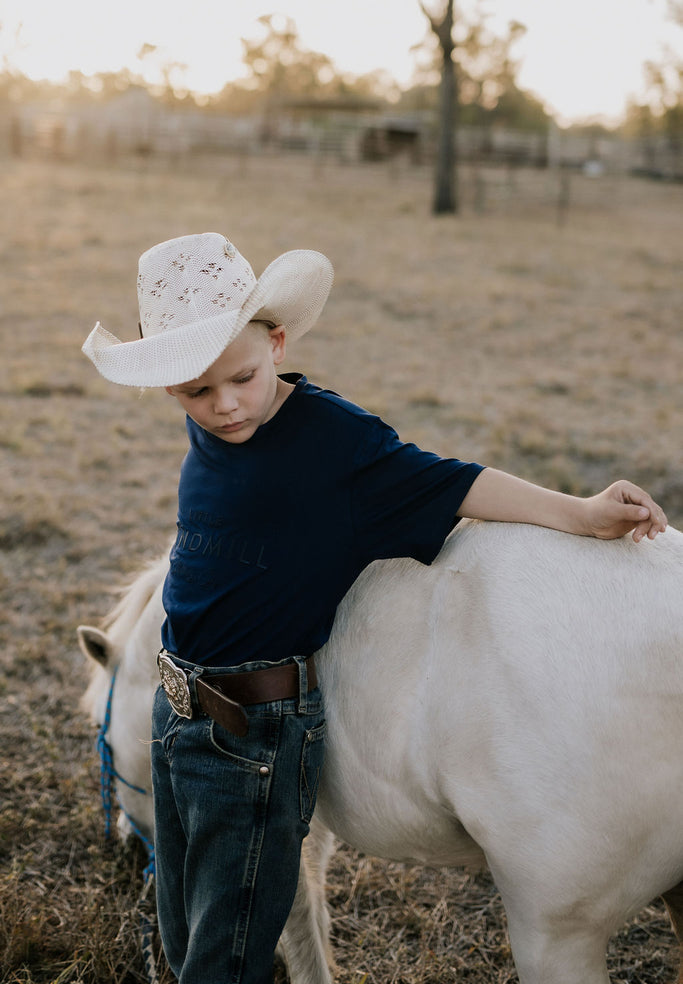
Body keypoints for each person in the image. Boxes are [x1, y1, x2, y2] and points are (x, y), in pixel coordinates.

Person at [82, 232, 667, 984]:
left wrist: (580, 515)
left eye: (242, 378)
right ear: (168, 387)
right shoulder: (220, 426)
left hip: (251, 736)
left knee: (224, 946)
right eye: (198, 392)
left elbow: (449, 481)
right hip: (181, 712)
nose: (225, 404)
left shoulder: (330, 437)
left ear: (277, 341)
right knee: (183, 918)